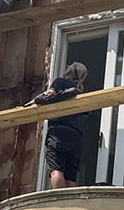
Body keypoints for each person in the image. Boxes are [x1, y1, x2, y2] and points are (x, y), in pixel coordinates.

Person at [32, 62, 93, 190]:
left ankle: (59, 203)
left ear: (69, 72)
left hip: (59, 133)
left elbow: (49, 94)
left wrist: (34, 102)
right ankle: (69, 204)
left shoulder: (61, 82)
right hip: (76, 138)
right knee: (70, 177)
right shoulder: (79, 93)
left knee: (56, 170)